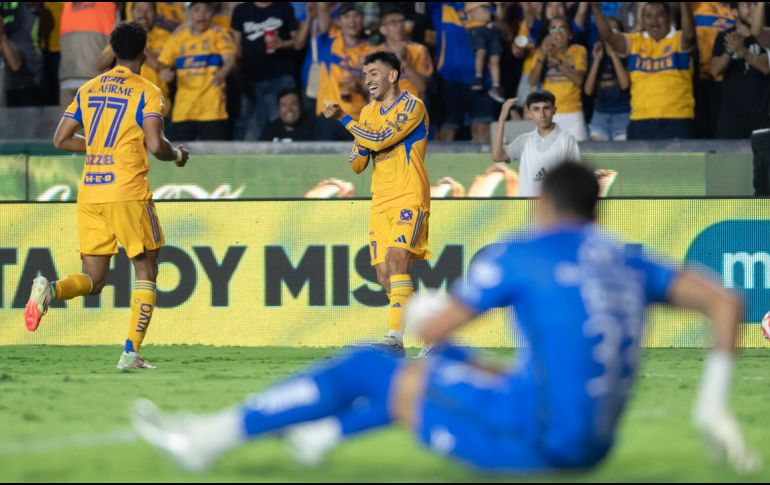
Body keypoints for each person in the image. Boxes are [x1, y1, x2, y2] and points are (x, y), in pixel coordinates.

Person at [132, 162, 760, 475]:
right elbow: (727, 302)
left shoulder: (523, 252)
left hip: (539, 442)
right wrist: (712, 407)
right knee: (453, 364)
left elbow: (428, 327)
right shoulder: (627, 257)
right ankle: (325, 435)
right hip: (594, 443)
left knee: (369, 366)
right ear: (596, 209)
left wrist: (432, 305)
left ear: (542, 204)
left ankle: (207, 438)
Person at [26, 21, 190, 370]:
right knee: (146, 269)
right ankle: (130, 353)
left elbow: (60, 140)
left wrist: (100, 147)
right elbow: (155, 145)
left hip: (90, 192)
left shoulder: (88, 88)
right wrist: (176, 156)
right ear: (145, 50)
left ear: (113, 52)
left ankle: (50, 289)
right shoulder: (148, 91)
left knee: (95, 280)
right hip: (127, 191)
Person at [322, 51, 431, 358]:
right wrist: (358, 144)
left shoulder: (412, 106)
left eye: (373, 73)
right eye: (365, 73)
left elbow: (381, 139)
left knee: (397, 258)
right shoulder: (367, 112)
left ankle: (395, 340)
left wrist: (345, 119)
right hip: (380, 198)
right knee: (384, 274)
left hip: (409, 194)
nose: (367, 79)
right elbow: (357, 164)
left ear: (392, 75)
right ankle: (431, 336)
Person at [593, 2, 697, 140]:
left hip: (678, 120)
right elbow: (608, 36)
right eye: (648, 16)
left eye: (659, 15)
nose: (654, 20)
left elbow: (689, 35)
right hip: (641, 120)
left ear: (669, 18)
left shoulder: (679, 39)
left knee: (677, 163)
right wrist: (595, 8)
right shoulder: (635, 41)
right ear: (642, 20)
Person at [158, 2, 236, 141]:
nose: (202, 15)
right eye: (197, 10)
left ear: (212, 13)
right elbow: (163, 62)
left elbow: (230, 59)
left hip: (212, 110)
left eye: (206, 10)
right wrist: (165, 72)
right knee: (180, 159)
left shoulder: (219, 34)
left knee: (214, 160)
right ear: (189, 13)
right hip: (183, 110)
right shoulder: (178, 37)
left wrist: (222, 73)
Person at [231, 1, 299, 141]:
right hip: (249, 79)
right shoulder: (241, 10)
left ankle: (280, 160)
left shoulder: (284, 7)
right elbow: (236, 47)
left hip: (280, 77)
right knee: (245, 125)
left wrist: (282, 43)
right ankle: (243, 161)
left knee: (280, 123)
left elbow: (297, 41)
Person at [492, 91, 581, 197]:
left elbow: (576, 177)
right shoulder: (524, 141)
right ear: (529, 113)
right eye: (536, 109)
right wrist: (502, 119)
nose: (542, 114)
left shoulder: (567, 140)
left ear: (554, 110)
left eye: (546, 108)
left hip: (556, 209)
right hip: (528, 209)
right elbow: (497, 157)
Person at [711, 1, 770, 139]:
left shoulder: (764, 37)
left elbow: (766, 68)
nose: (751, 8)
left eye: (755, 4)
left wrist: (742, 51)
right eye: (745, 4)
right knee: (727, 158)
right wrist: (729, 52)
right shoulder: (725, 36)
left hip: (761, 112)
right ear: (735, 12)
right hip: (732, 113)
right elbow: (714, 70)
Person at [97, 2, 170, 113]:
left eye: (148, 10)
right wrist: (119, 40)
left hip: (156, 103)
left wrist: (130, 42)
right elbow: (101, 65)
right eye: (139, 10)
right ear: (131, 12)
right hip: (125, 103)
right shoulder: (124, 34)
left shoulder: (167, 37)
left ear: (155, 14)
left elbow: (164, 66)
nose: (143, 14)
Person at [528, 15, 588, 141]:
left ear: (570, 35)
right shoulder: (540, 52)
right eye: (553, 29)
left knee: (576, 157)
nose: (558, 32)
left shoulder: (578, 50)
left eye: (562, 28)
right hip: (548, 115)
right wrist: (543, 55)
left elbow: (579, 80)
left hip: (573, 113)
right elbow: (532, 81)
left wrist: (558, 64)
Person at [315, 3, 372, 120]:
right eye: (346, 16)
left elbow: (375, 90)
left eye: (357, 16)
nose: (352, 20)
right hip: (328, 115)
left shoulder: (371, 51)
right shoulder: (329, 42)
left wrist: (358, 84)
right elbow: (322, 6)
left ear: (362, 20)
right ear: (338, 22)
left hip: (358, 118)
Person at [692, 2, 736, 139]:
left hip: (727, 82)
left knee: (722, 135)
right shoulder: (698, 5)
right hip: (700, 80)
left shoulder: (736, 9)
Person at [584, 18, 631, 142]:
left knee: (622, 158)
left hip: (623, 114)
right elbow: (588, 91)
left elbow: (625, 84)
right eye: (606, 30)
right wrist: (597, 60)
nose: (609, 34)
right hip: (600, 115)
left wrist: (614, 54)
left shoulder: (627, 56)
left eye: (613, 30)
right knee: (597, 158)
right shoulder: (595, 55)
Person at [376, 6, 433, 101]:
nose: (399, 25)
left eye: (401, 21)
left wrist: (403, 61)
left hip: (409, 110)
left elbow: (423, 86)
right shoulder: (375, 53)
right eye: (393, 22)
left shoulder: (419, 50)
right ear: (383, 29)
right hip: (382, 111)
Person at [260, 89, 351, 142]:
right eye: (284, 105)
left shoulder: (315, 127)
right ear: (278, 109)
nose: (289, 109)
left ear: (301, 107)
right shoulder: (271, 130)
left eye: (293, 104)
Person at [465, 2, 505, 103]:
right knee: (481, 51)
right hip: (476, 27)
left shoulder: (491, 5)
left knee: (495, 59)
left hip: (491, 29)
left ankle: (496, 86)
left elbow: (499, 17)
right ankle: (478, 78)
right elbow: (465, 9)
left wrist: (499, 6)